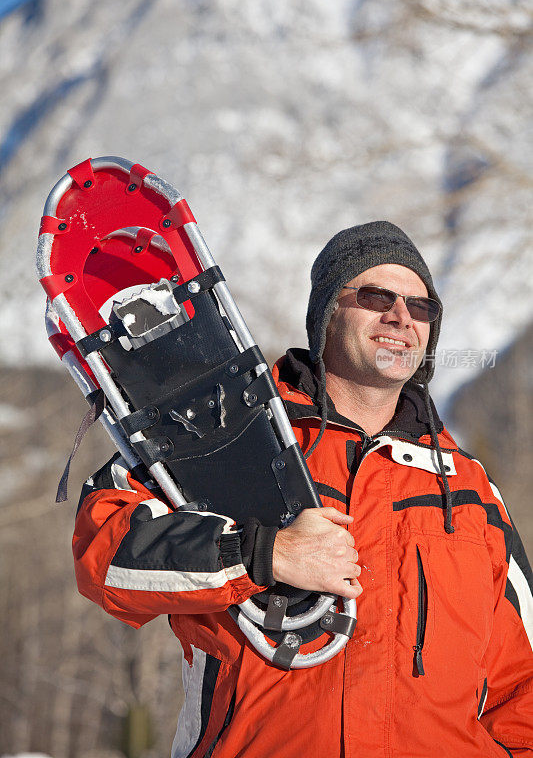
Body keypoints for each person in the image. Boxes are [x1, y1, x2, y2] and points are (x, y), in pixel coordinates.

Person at [73, 221, 533, 757]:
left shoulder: (470, 491)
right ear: (326, 315)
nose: (402, 317)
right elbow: (102, 554)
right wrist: (260, 554)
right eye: (376, 295)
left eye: (421, 305)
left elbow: (520, 687)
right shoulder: (229, 431)